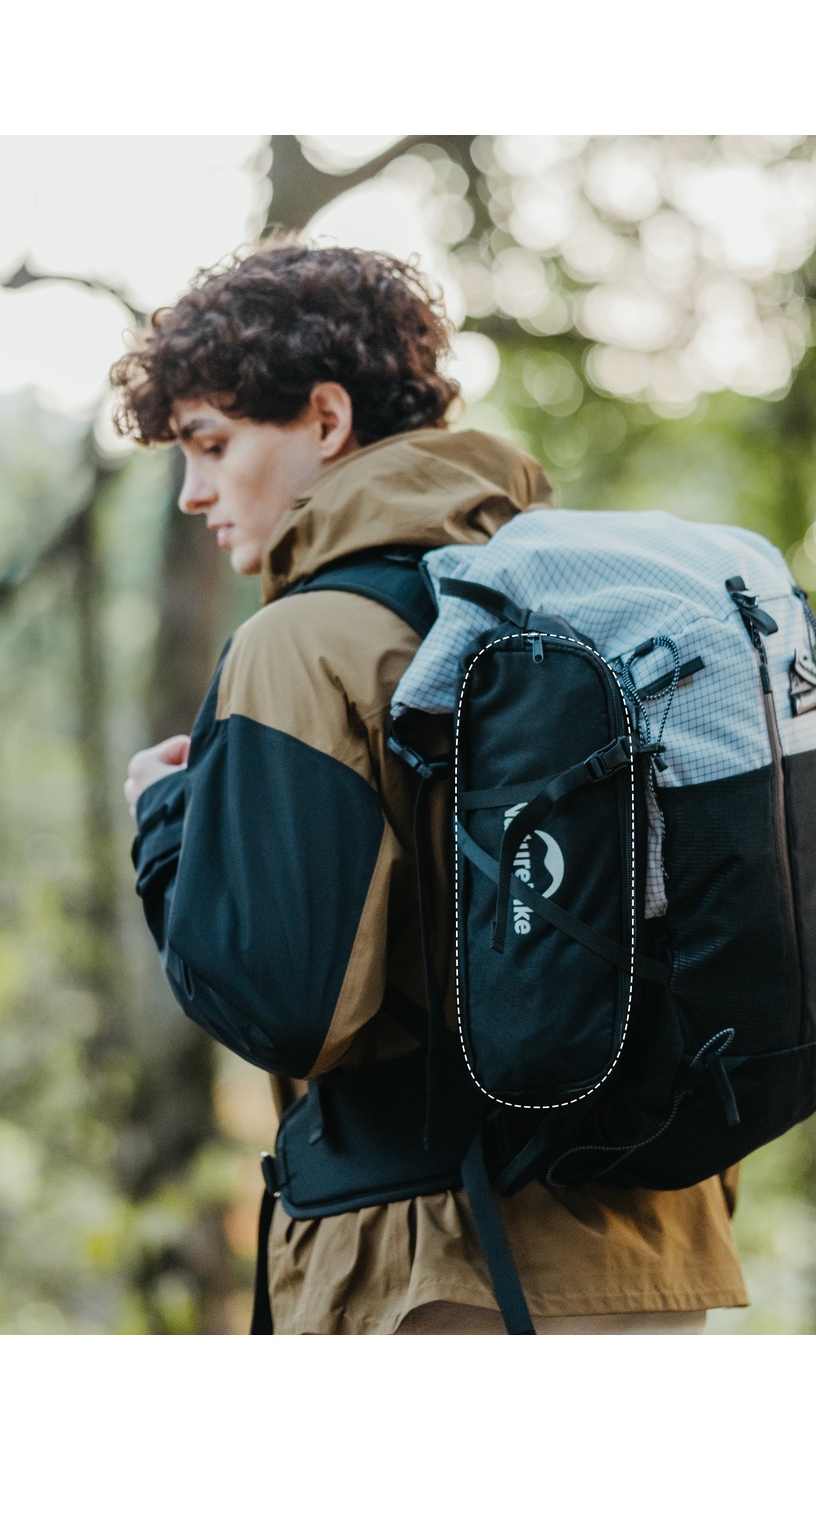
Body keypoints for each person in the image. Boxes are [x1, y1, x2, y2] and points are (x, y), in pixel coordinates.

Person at [114, 240, 748, 1334]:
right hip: (652, 1247)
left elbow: (282, 1010)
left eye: (211, 444)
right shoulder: (559, 598)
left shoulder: (303, 641)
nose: (193, 492)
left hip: (437, 1266)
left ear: (326, 418)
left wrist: (170, 824)